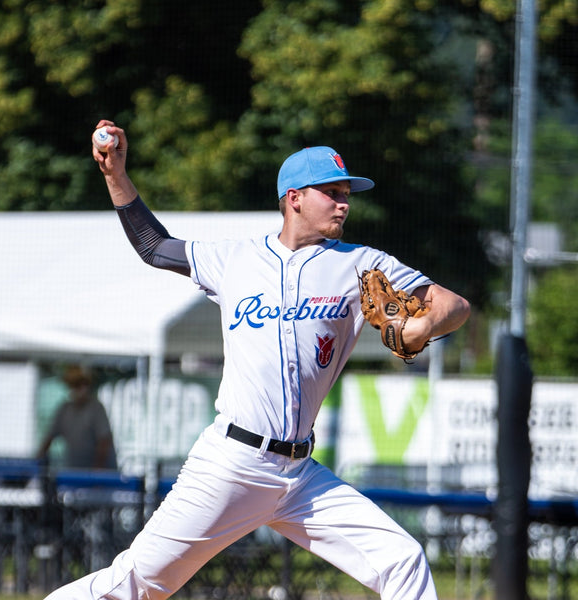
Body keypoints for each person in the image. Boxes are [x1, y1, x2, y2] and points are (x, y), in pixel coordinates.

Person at [44, 120, 470, 599]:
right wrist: (115, 173)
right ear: (294, 198)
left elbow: (454, 304)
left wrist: (423, 324)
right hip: (233, 463)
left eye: (346, 192)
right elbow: (154, 247)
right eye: (330, 192)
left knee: (403, 561)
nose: (344, 202)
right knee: (138, 584)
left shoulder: (361, 264)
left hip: (302, 475)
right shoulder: (236, 259)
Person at [37, 365, 117, 470]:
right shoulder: (64, 409)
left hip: (100, 476)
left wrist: (97, 471)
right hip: (74, 472)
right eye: (74, 385)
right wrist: (37, 461)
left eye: (82, 384)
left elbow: (104, 441)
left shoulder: (96, 408)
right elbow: (49, 437)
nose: (79, 388)